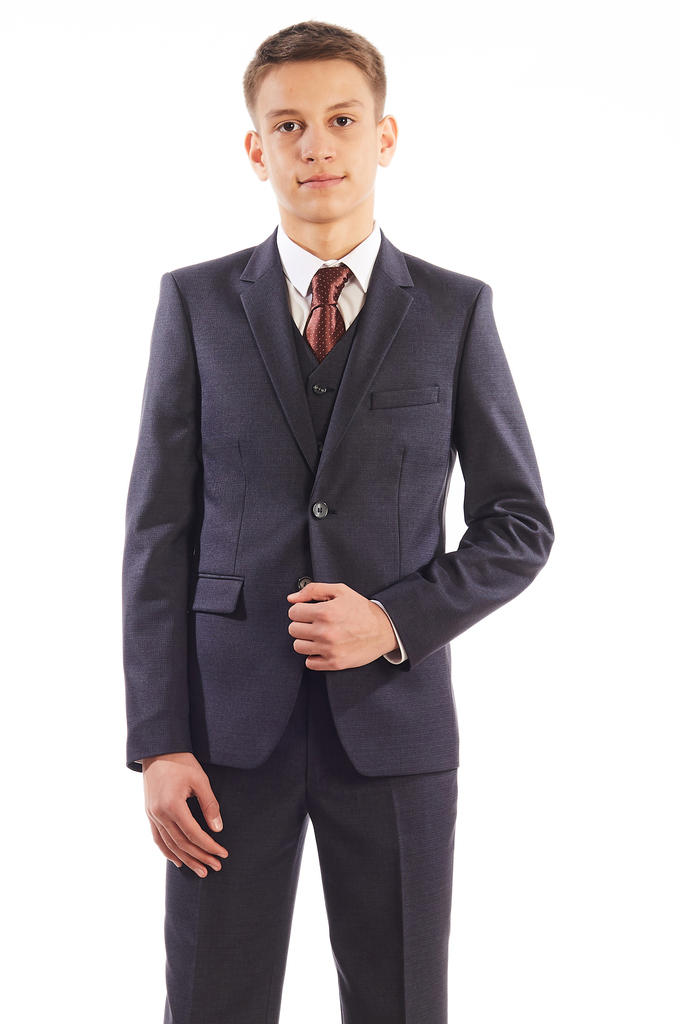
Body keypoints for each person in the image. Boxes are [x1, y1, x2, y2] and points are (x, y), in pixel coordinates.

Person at [122, 19, 554, 1024]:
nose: (316, 145)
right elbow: (157, 536)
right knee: (211, 1004)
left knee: (401, 1004)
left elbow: (518, 524)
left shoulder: (454, 310)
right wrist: (159, 741)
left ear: (384, 137)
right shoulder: (194, 304)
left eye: (341, 120)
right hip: (223, 741)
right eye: (288, 125)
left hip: (395, 731)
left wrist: (394, 620)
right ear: (256, 148)